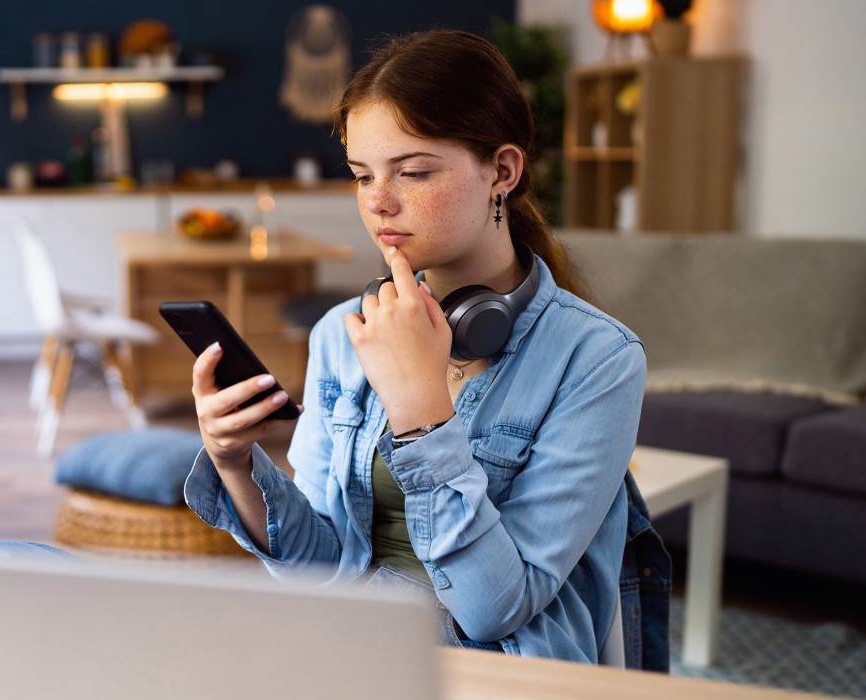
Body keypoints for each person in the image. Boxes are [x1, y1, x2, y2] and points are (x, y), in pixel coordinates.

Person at [184, 29, 655, 665]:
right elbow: (319, 568)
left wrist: (420, 410)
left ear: (503, 171)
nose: (378, 202)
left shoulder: (597, 359)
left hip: (484, 662)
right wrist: (235, 463)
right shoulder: (343, 334)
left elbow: (495, 610)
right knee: (9, 563)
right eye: (360, 175)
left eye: (413, 172)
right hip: (348, 636)